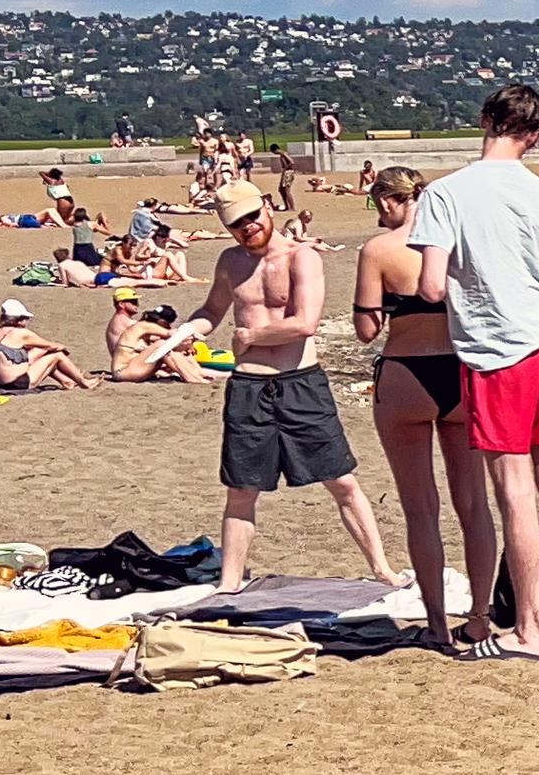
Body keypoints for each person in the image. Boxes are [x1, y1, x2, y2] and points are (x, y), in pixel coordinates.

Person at [408, 85, 539, 661]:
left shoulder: (446, 194)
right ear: (534, 135)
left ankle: (531, 628)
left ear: (486, 121)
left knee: (513, 495)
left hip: (496, 352)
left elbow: (431, 285)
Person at [165, 182, 397, 592]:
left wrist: (251, 337)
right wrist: (187, 330)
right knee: (241, 489)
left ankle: (382, 568)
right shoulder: (230, 261)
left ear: (267, 208)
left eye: (252, 216)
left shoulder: (300, 257)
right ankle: (229, 582)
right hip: (250, 387)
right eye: (237, 223)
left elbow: (304, 323)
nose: (248, 227)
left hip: (300, 382)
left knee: (341, 481)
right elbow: (213, 310)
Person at [354, 167, 499, 653]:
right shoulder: (456, 243)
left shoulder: (378, 251)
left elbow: (366, 330)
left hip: (406, 374)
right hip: (459, 371)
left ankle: (437, 623)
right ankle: (479, 616)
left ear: (390, 201)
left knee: (422, 509)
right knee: (474, 505)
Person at [106, 290, 218, 383]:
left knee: (168, 347)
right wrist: (191, 335)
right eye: (133, 302)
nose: (137, 305)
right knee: (163, 346)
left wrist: (185, 345)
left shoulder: (138, 327)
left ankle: (196, 374)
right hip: (123, 370)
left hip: (133, 365)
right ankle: (192, 377)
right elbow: (171, 335)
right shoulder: (138, 326)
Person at [0, 300, 93, 389]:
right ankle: (84, 382)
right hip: (15, 384)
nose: (27, 322)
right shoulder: (21, 334)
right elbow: (50, 345)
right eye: (26, 319)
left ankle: (66, 381)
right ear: (19, 320)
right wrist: (62, 348)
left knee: (41, 352)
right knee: (57, 355)